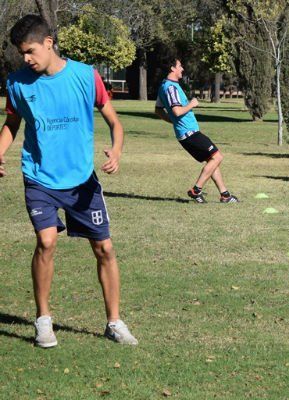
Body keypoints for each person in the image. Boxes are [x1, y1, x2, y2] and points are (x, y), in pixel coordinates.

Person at [0, 15, 137, 347]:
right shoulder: (17, 84)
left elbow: (115, 124)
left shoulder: (86, 77)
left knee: (104, 248)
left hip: (81, 182)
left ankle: (114, 322)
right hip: (39, 177)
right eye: (22, 54)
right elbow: (12, 124)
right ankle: (43, 321)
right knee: (46, 242)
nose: (27, 59)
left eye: (30, 51)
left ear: (48, 43)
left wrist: (116, 151)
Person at [155, 58, 238, 203]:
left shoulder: (165, 86)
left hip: (186, 133)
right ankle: (196, 190)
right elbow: (177, 111)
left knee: (212, 160)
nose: (182, 69)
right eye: (180, 66)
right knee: (217, 157)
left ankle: (225, 195)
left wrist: (173, 122)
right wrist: (192, 104)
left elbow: (158, 110)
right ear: (172, 68)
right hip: (189, 133)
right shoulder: (170, 88)